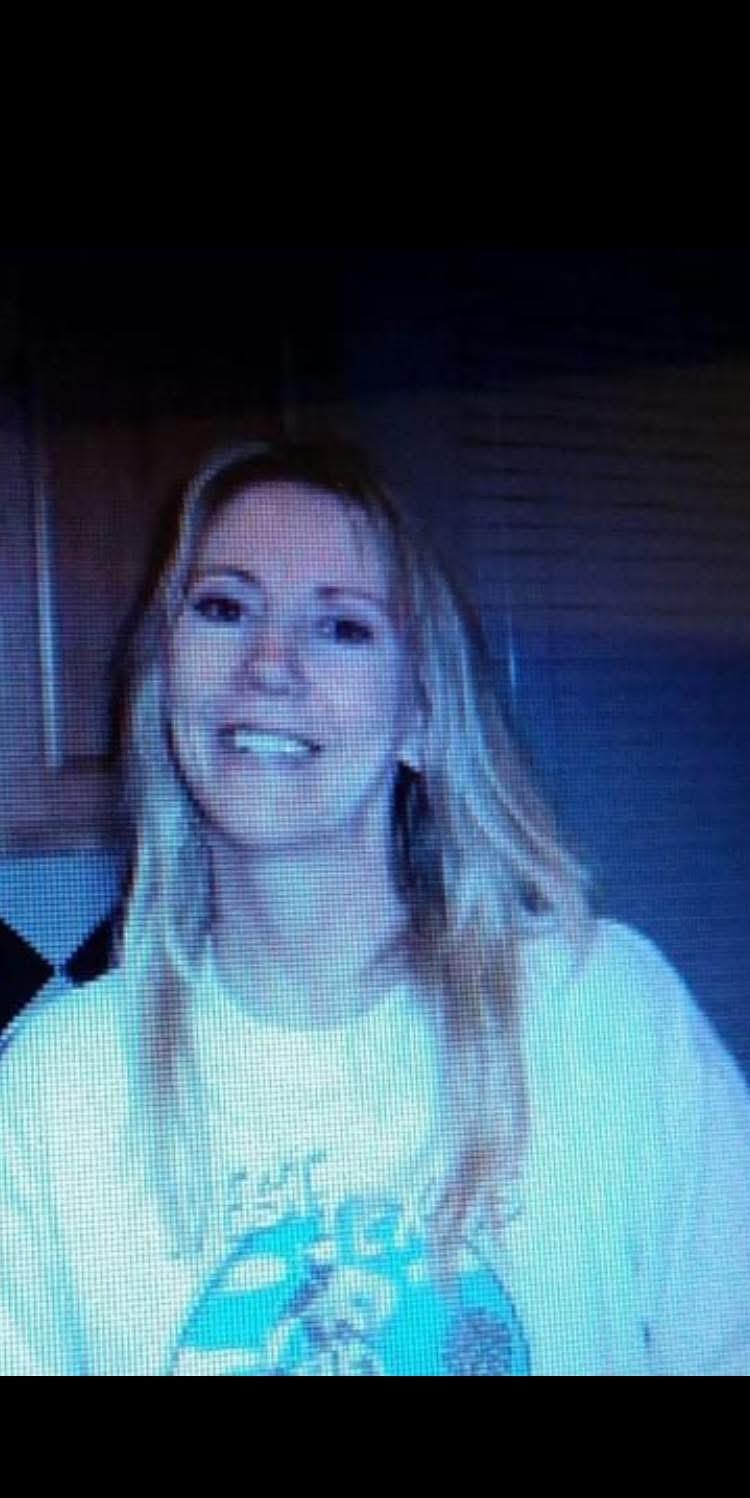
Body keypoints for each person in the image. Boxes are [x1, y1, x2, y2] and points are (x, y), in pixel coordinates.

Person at [1, 437, 749, 1376]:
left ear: (422, 716)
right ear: (165, 687)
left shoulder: (605, 1014)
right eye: (225, 608)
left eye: (342, 626)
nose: (269, 665)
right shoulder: (53, 1094)